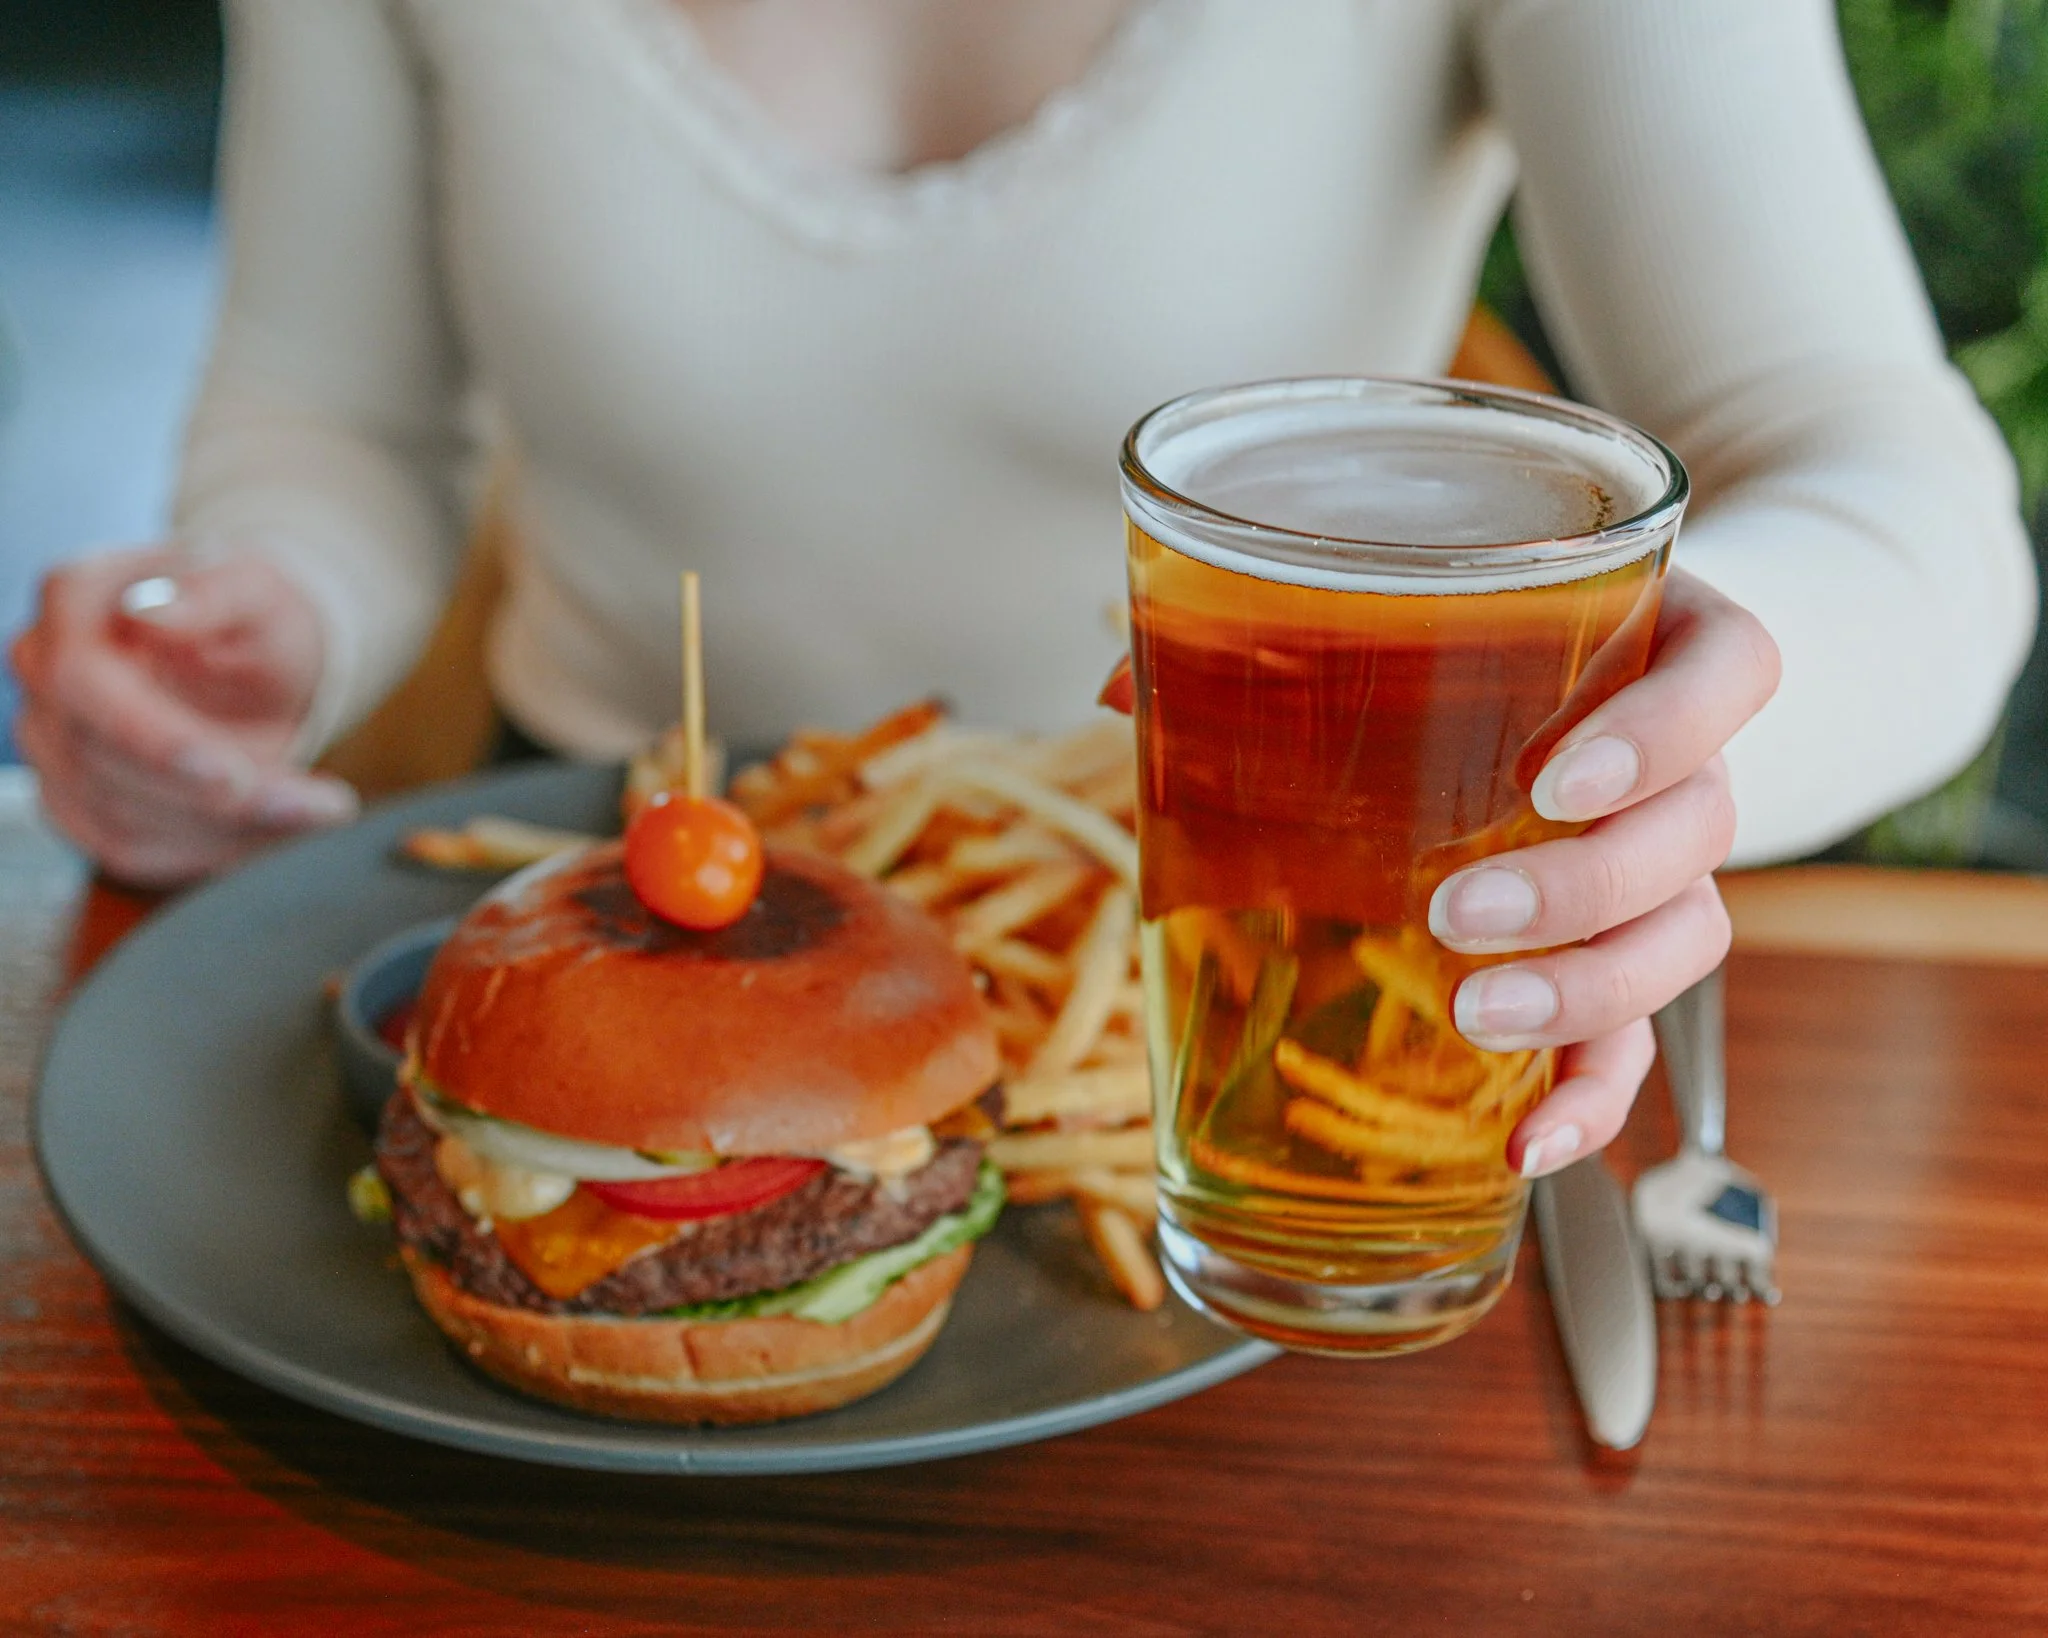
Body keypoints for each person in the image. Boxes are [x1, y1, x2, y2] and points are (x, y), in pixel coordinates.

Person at [8, 0, 2036, 1179]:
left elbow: (1888, 483)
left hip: (1236, 1039)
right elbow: (330, 414)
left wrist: (1661, 765)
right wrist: (259, 616)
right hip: (612, 936)